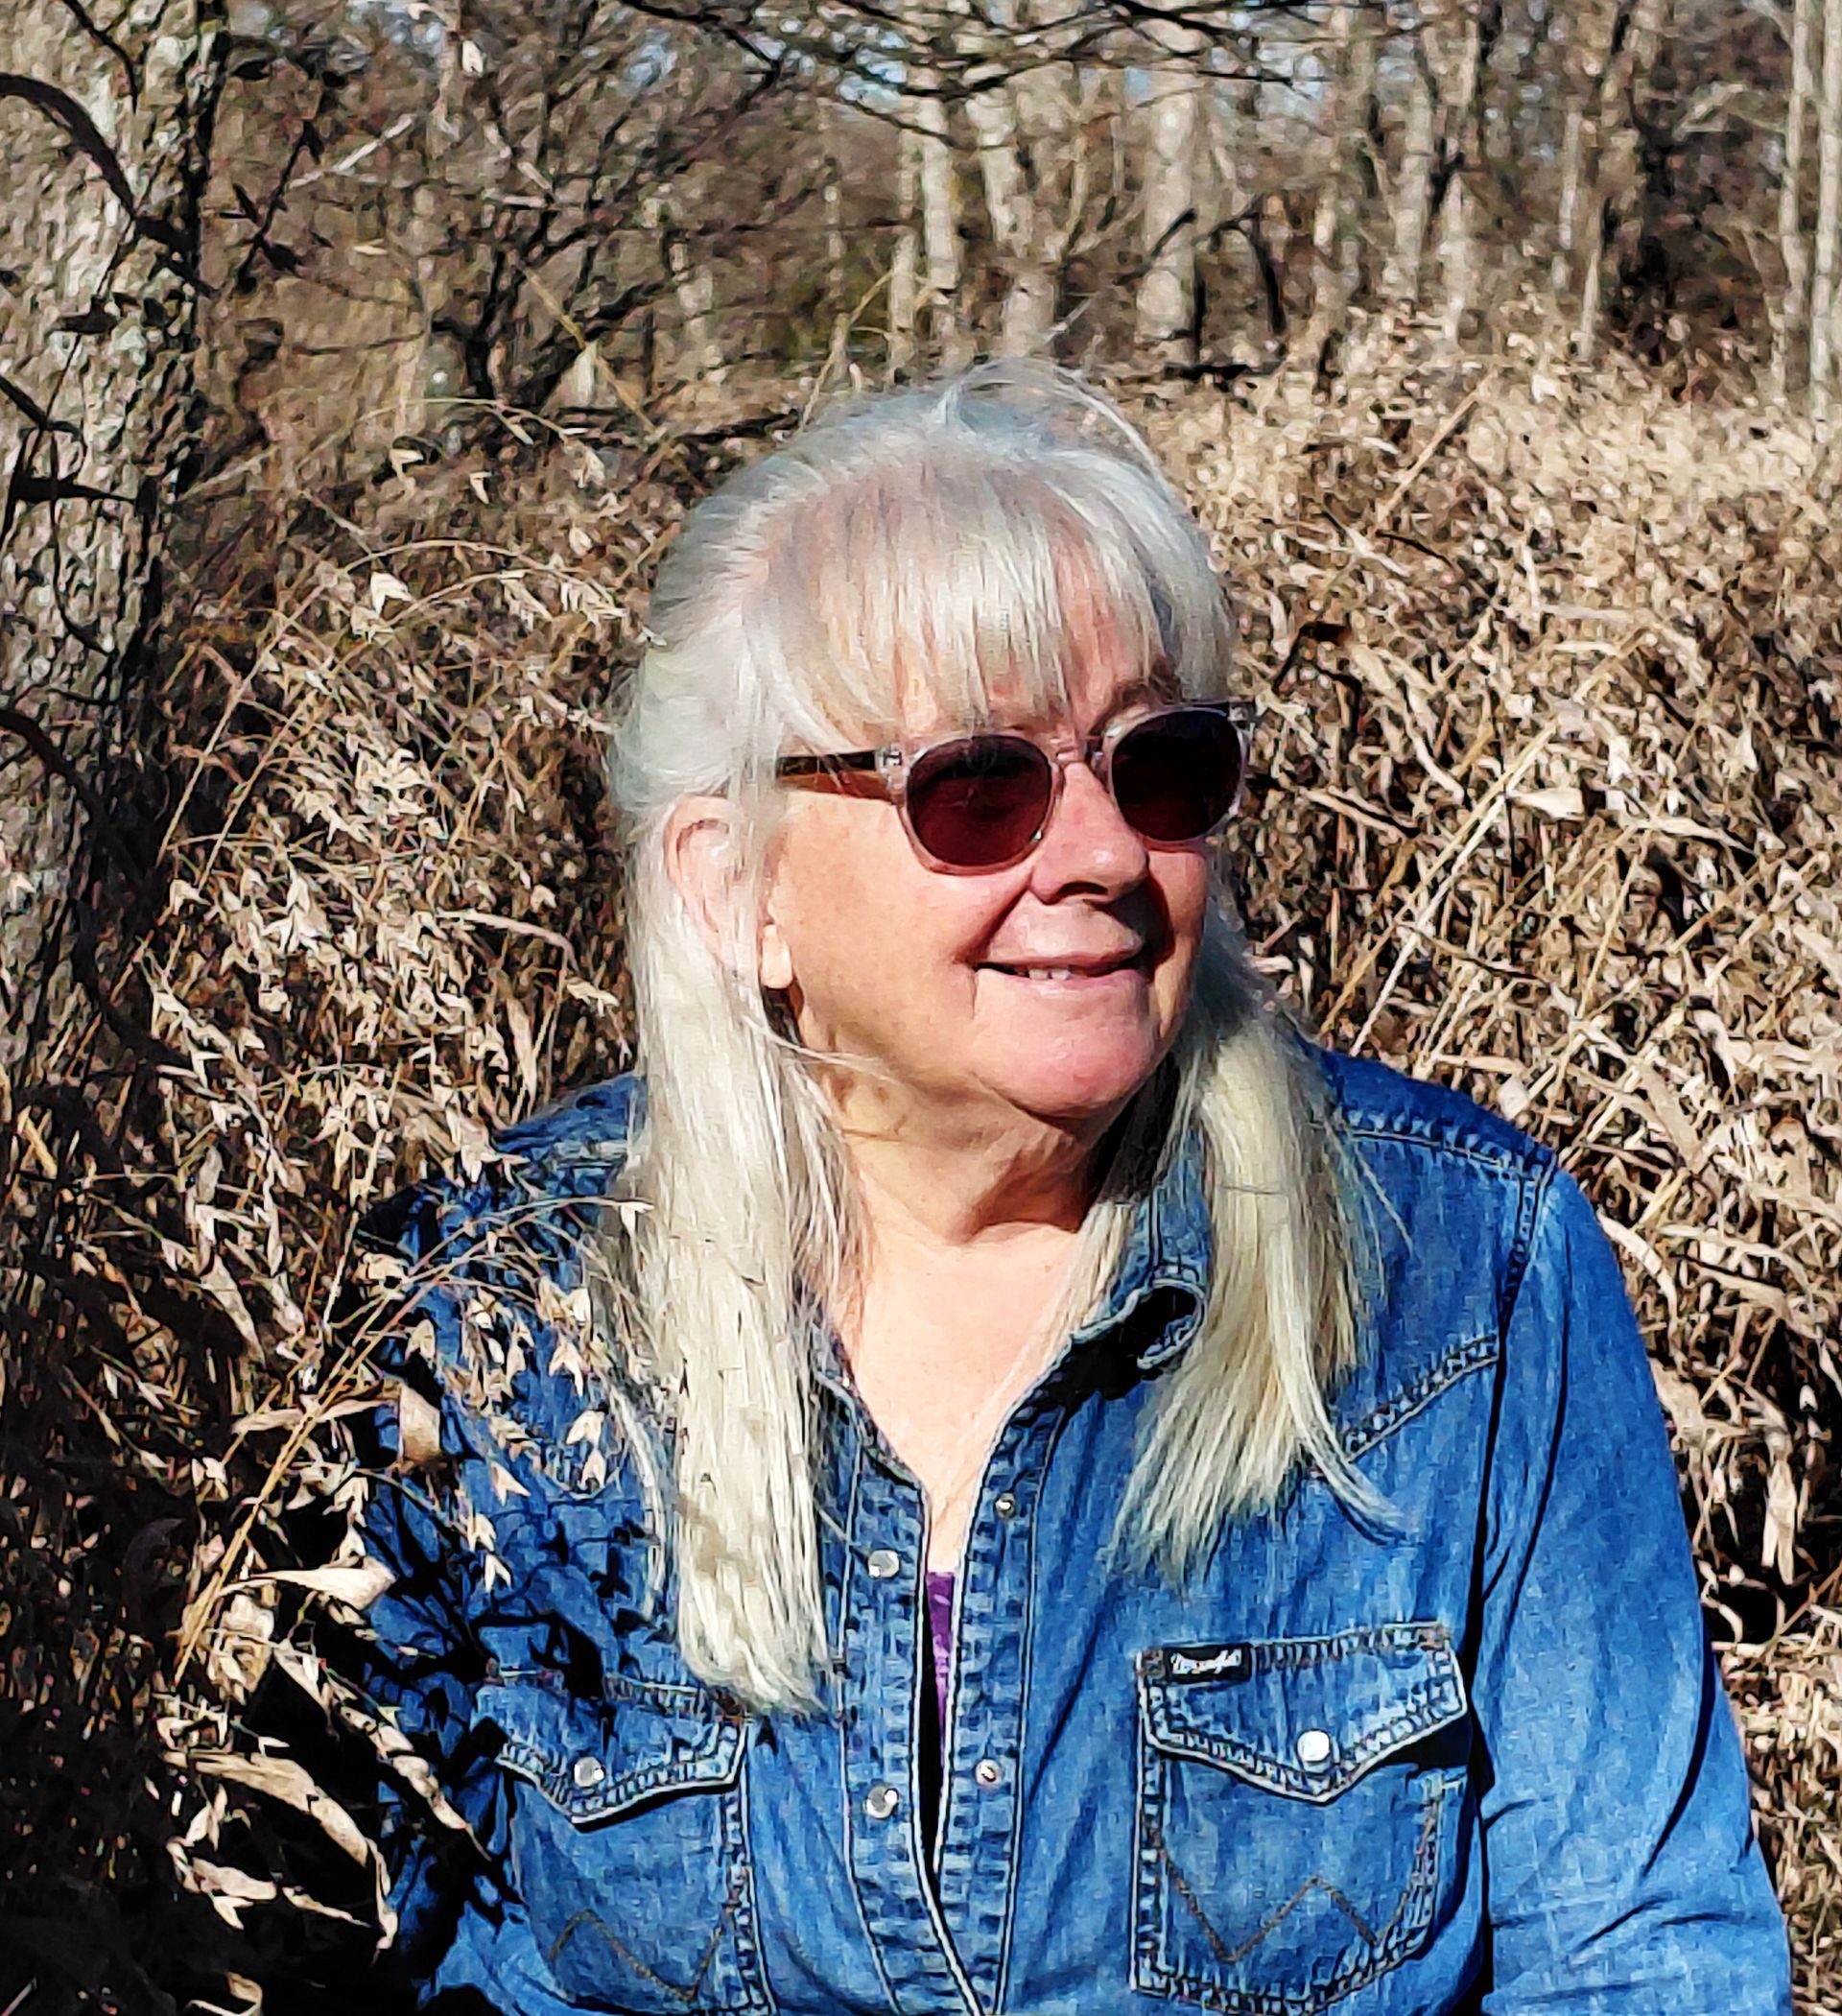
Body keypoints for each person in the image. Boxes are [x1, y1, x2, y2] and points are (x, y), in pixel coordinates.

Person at [346, 365, 1793, 2016]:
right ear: (735, 886)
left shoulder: (1465, 1275)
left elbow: (1644, 1962)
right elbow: (411, 1952)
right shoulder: (499, 1312)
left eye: (1159, 764)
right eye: (981, 785)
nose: (1103, 849)